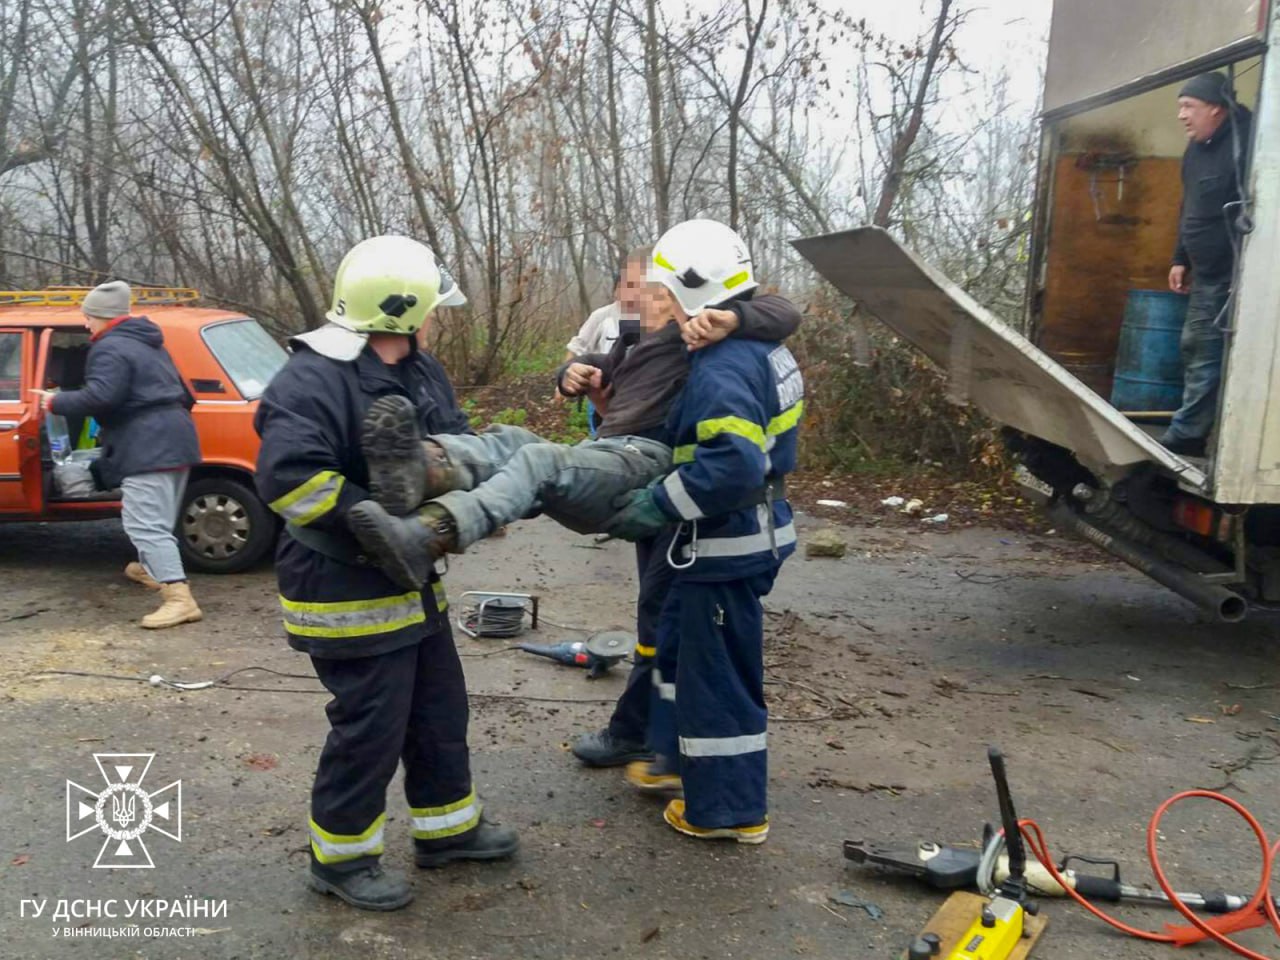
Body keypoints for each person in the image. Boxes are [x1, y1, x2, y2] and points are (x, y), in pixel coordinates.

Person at [344, 245, 801, 772]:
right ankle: (420, 469)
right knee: (512, 441)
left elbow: (782, 312)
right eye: (627, 288)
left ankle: (432, 533)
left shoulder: (702, 335)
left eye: (649, 288)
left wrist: (733, 315)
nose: (635, 299)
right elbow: (593, 364)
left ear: (681, 296)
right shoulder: (634, 337)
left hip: (644, 464)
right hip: (609, 453)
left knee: (540, 465)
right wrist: (575, 373)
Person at [254, 236, 517, 913]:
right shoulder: (311, 380)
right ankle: (340, 859)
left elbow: (452, 442)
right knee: (370, 726)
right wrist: (370, 517)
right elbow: (289, 480)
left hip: (414, 581)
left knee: (437, 709)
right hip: (342, 586)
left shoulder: (421, 373)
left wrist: (469, 497)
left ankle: (447, 829)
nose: (437, 320)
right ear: (402, 311)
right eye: (432, 308)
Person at [605, 218, 803, 844]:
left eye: (666, 287)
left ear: (692, 288)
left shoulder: (720, 366)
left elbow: (732, 466)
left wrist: (658, 503)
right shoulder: (764, 347)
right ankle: (673, 764)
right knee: (684, 655)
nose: (658, 299)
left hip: (723, 545)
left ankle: (727, 811)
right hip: (736, 540)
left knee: (718, 681)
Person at [32, 280, 203, 629]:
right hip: (176, 439)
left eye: (89, 317)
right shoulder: (149, 344)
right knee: (158, 516)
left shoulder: (110, 348)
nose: (86, 324)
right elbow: (187, 395)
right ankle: (149, 568)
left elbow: (101, 398)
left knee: (144, 523)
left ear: (104, 317)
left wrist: (54, 401)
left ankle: (178, 598)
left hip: (148, 447)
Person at [1162, 71, 1252, 457]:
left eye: (1189, 106)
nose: (1182, 115)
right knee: (1194, 347)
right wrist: (1180, 258)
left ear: (1215, 108)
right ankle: (1193, 430)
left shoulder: (1248, 142)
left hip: (1238, 275)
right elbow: (1189, 208)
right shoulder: (1196, 149)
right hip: (1206, 273)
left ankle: (1188, 434)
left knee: (1208, 352)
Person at [564, 272, 622, 437]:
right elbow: (577, 347)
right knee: (600, 434)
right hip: (600, 386)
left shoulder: (649, 316)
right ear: (615, 291)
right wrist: (564, 380)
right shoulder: (602, 316)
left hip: (630, 388)